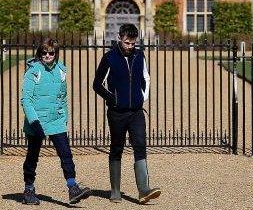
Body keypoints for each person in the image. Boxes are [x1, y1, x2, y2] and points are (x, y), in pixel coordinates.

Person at [92, 23, 161, 204]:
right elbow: (97, 84)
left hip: (136, 112)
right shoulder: (109, 58)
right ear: (119, 39)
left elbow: (146, 78)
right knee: (117, 148)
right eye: (127, 43)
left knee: (140, 146)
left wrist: (142, 98)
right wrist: (112, 98)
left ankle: (143, 190)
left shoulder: (139, 55)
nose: (130, 47)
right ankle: (115, 190)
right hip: (117, 113)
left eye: (133, 43)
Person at [20, 38, 91, 205]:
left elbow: (63, 97)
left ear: (56, 53)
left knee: (66, 154)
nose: (47, 55)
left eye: (51, 52)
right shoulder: (33, 72)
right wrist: (34, 122)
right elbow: (26, 100)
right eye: (44, 52)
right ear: (39, 53)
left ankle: (73, 187)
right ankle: (28, 189)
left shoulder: (61, 71)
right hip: (37, 120)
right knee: (33, 156)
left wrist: (64, 117)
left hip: (56, 120)